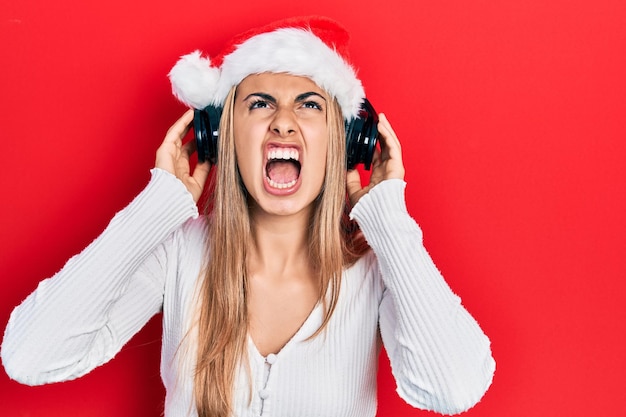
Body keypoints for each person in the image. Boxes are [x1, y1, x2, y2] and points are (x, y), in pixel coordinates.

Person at [1, 16, 495, 417]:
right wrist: (156, 206)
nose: (283, 120)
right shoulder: (179, 253)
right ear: (223, 135)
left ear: (344, 143)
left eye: (309, 105)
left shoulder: (377, 270)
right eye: (260, 104)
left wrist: (388, 219)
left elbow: (454, 388)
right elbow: (32, 356)